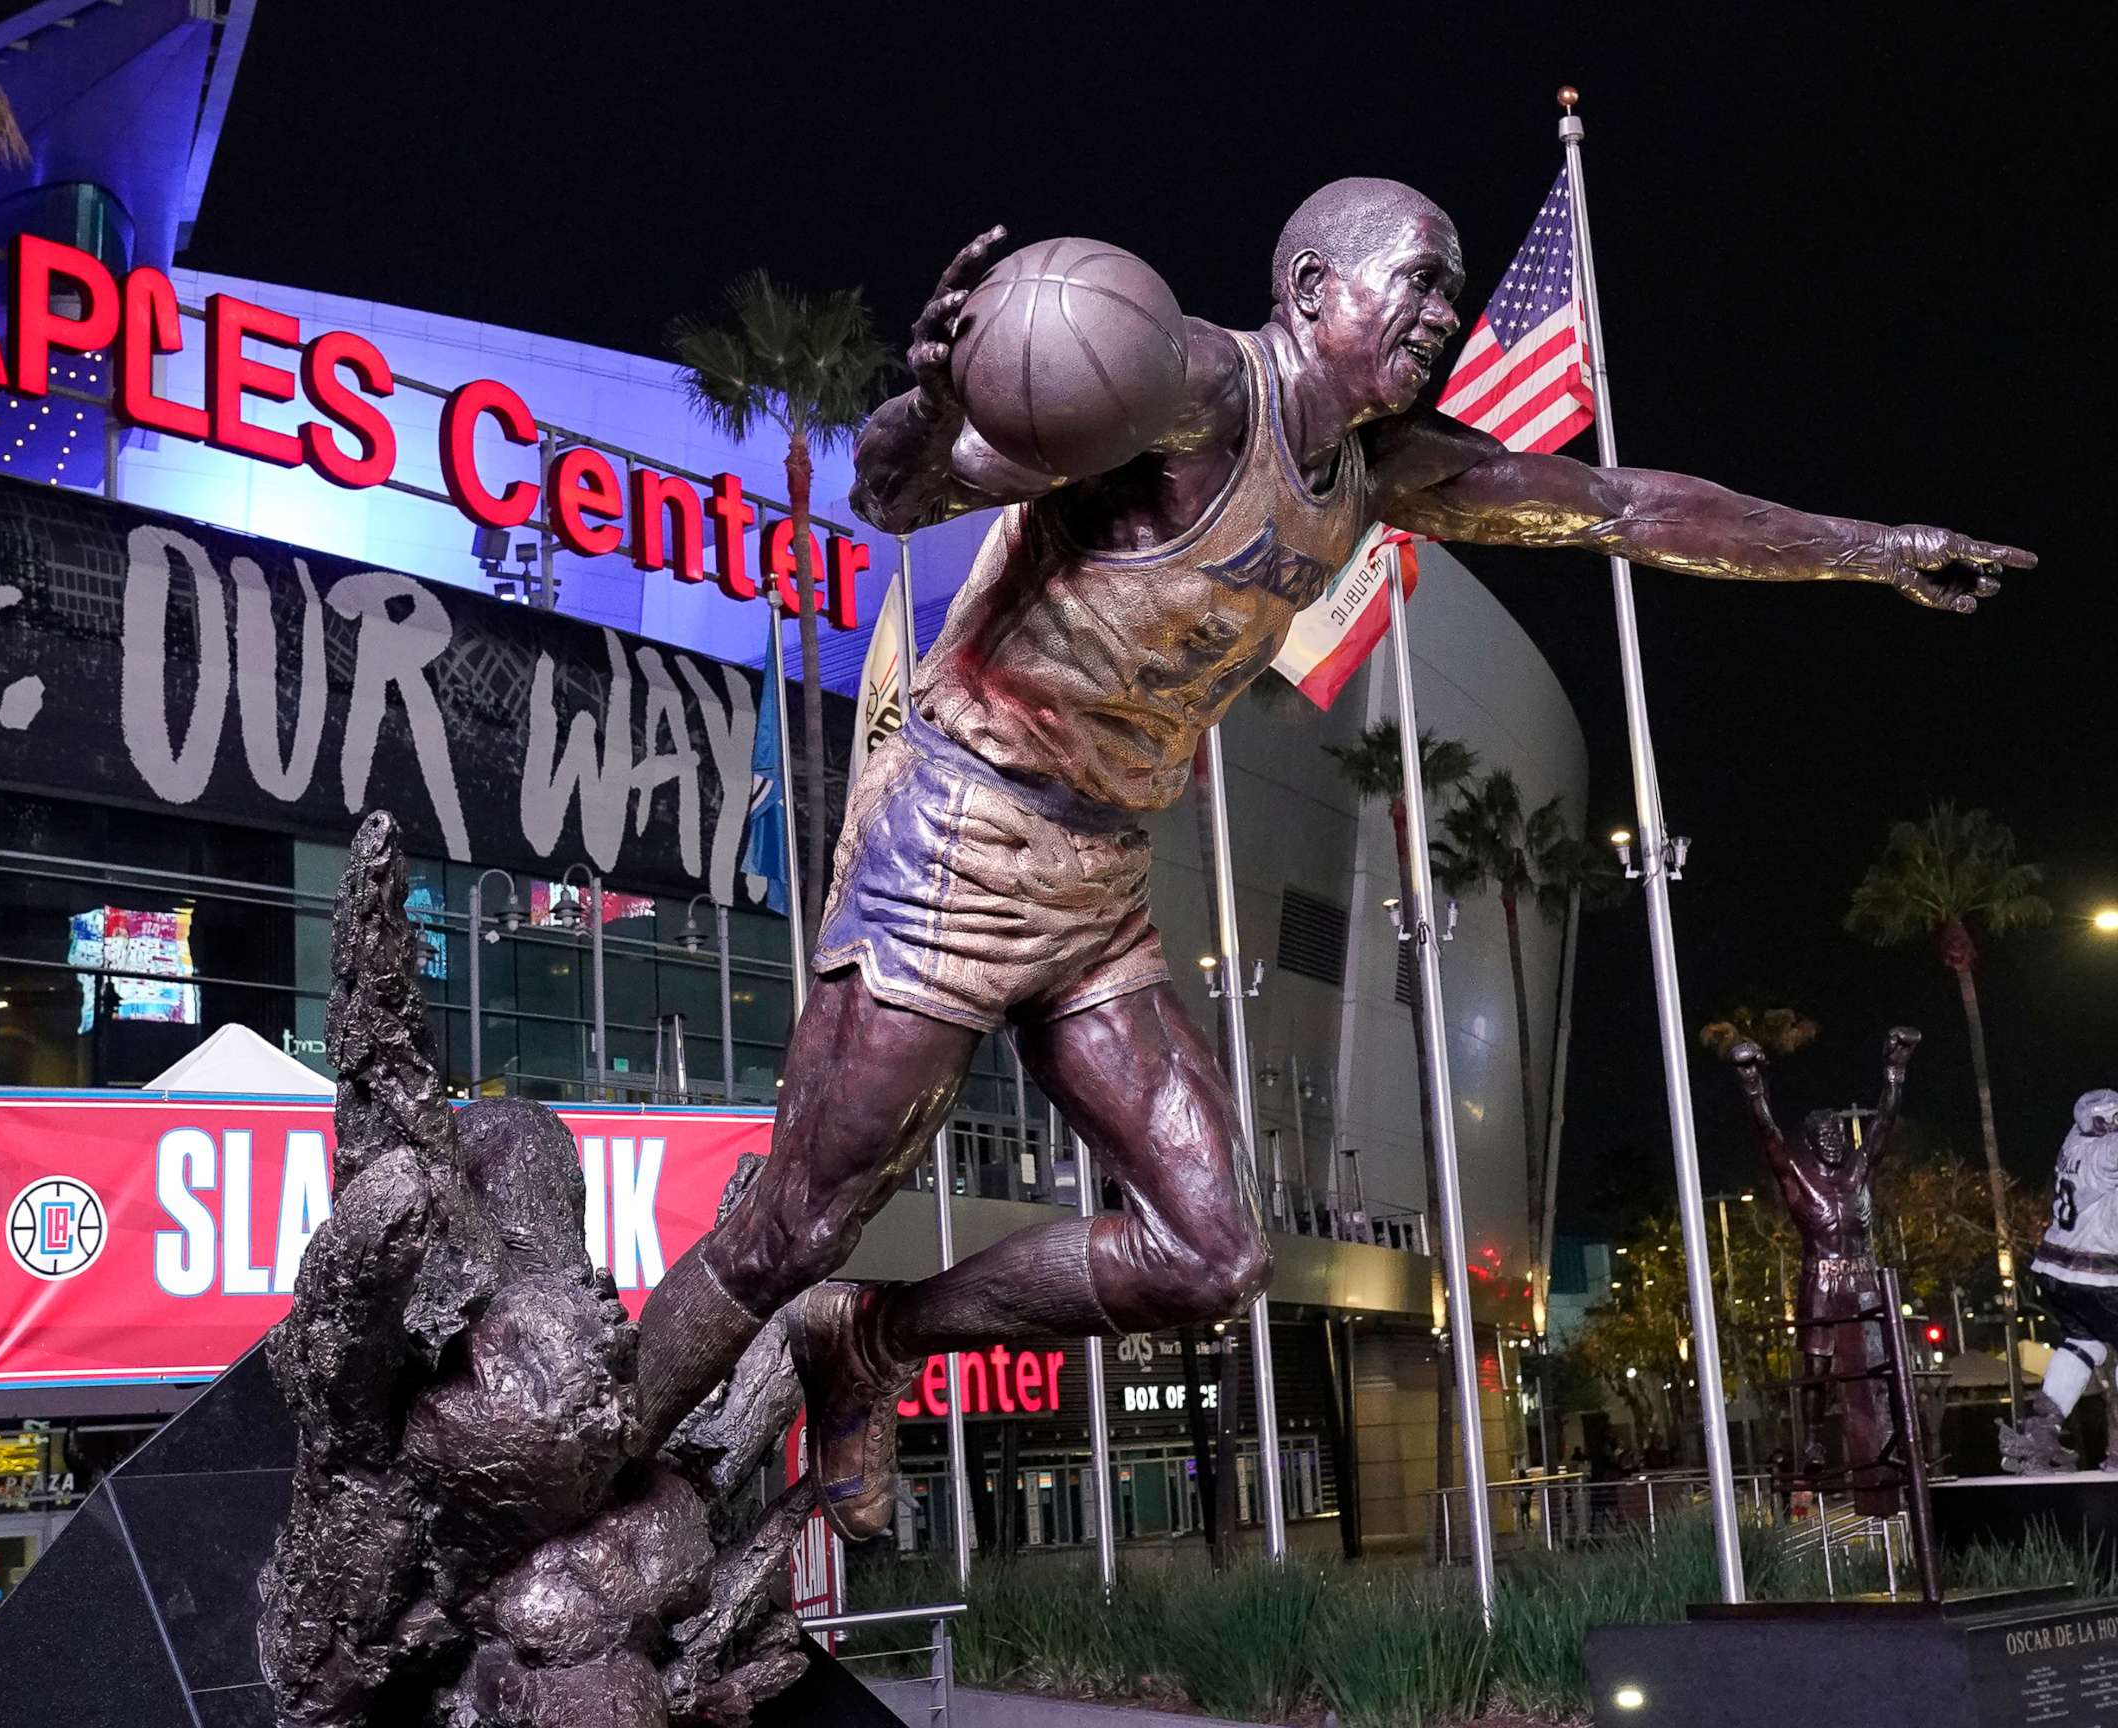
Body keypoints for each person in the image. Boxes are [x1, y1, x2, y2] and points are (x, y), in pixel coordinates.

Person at [632, 178, 2033, 1543]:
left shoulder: (1386, 469)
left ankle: (874, 1341)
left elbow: (1622, 507)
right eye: (1416, 275)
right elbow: (898, 491)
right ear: (1311, 291)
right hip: (958, 827)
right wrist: (938, 398)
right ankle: (594, 1452)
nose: (1444, 306)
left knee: (1214, 1256)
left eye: (1455, 282)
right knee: (793, 1227)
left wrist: (1869, 546)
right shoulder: (1186, 386)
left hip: (1098, 872)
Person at [1730, 1030, 1918, 1509]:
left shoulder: (1859, 1170)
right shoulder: (1799, 1177)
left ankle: (1898, 1432)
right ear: (1811, 1144)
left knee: (1884, 1362)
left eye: (1838, 1134)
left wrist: (1895, 1068)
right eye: (1824, 1137)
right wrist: (1753, 1083)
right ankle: (1813, 1437)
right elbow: (1768, 1136)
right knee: (1816, 1366)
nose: (1833, 1142)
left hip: (1863, 1272)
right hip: (1821, 1274)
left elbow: (1884, 1125)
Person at [1999, 1089, 2118, 1473]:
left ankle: (2038, 1435)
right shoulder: (2105, 1154)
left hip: (2056, 1271)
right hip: (2096, 1274)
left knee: (2084, 1346)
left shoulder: (2075, 1140)